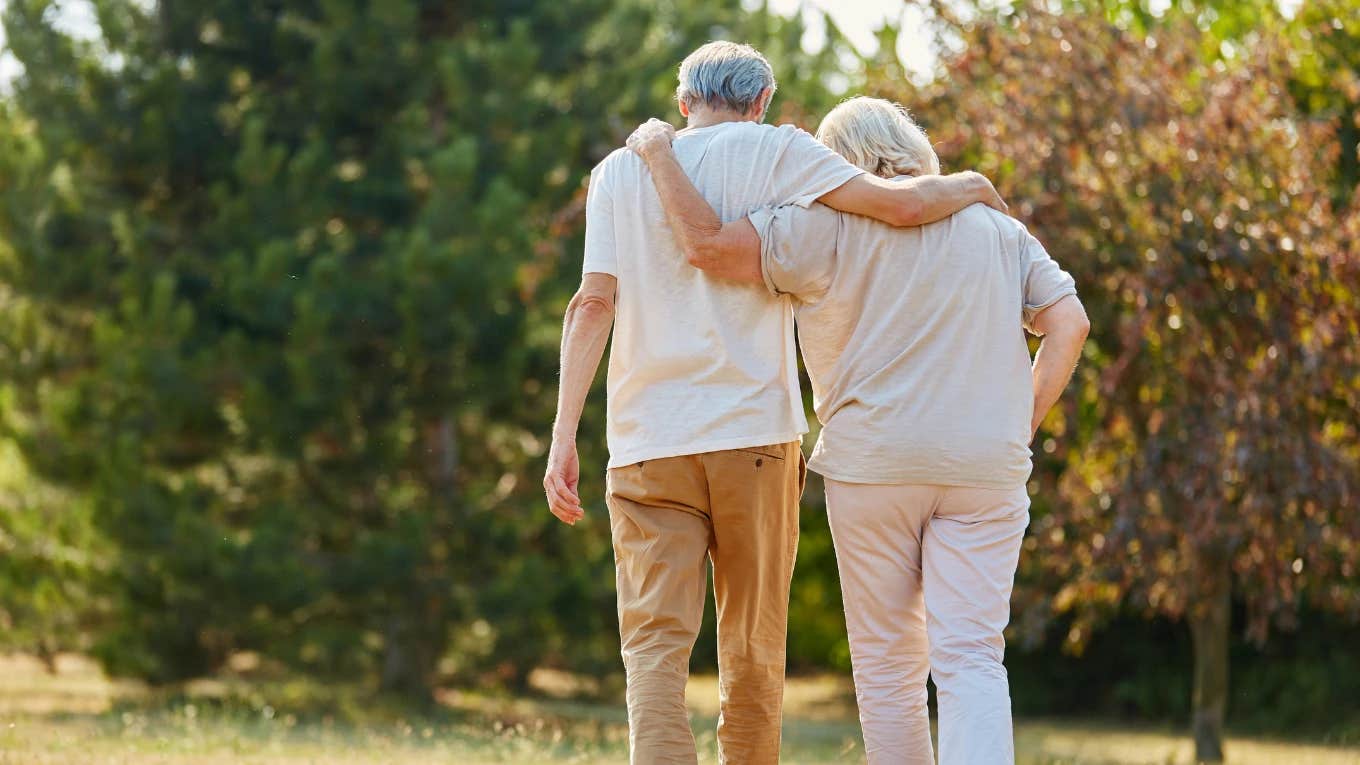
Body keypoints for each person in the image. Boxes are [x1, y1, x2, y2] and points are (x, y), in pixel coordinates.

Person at [544, 42, 1007, 764]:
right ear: (761, 102)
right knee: (752, 647)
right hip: (753, 439)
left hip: (644, 443)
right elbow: (905, 203)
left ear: (682, 97)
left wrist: (563, 433)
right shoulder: (780, 151)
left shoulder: (615, 171)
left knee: (654, 653)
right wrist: (974, 185)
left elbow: (592, 303)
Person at [625, 96, 1089, 765]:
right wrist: (1021, 422)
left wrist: (659, 154)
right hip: (986, 467)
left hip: (873, 467)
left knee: (888, 669)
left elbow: (709, 248)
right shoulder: (996, 229)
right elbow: (1069, 323)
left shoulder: (821, 225)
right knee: (973, 658)